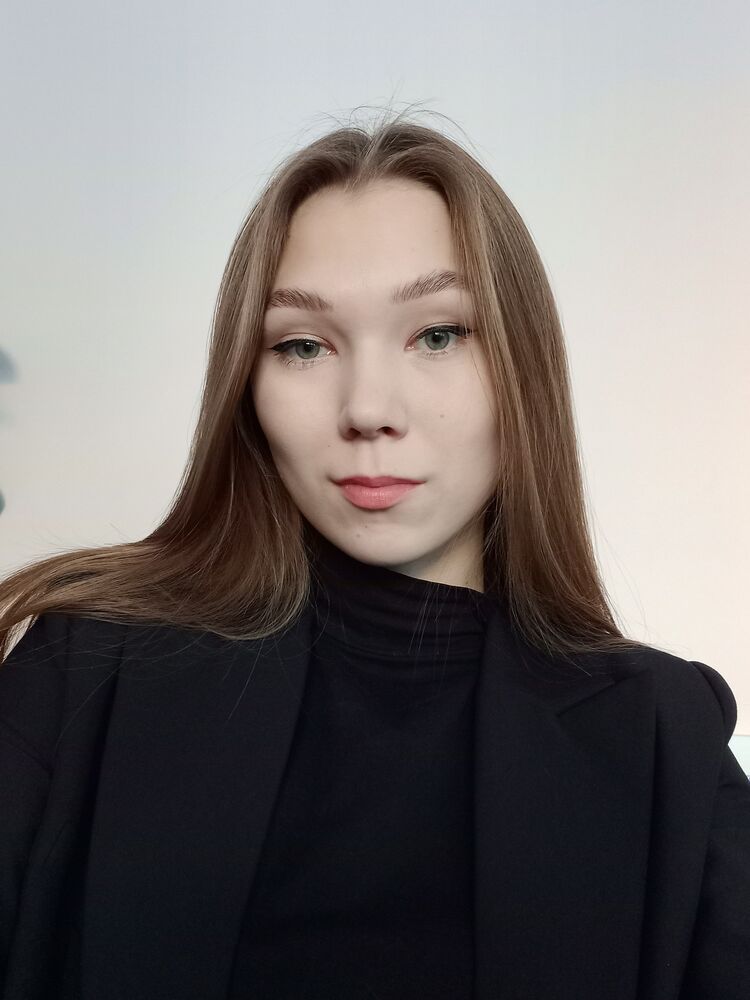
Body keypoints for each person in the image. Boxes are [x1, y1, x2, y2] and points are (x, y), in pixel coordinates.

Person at [1, 106, 748, 1000]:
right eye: (303, 345)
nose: (367, 409)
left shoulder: (663, 734)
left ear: (522, 367)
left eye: (438, 334)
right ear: (247, 385)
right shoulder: (87, 669)